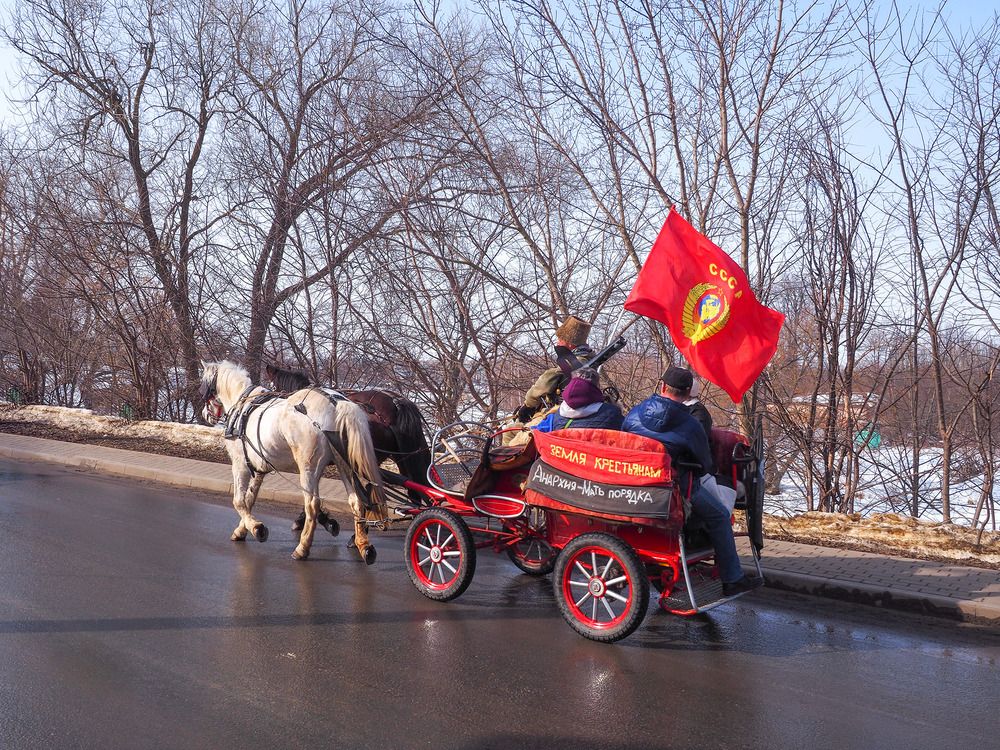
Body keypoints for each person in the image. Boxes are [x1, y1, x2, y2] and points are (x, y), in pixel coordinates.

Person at [622, 367, 761, 596]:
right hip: (674, 490)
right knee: (719, 516)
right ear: (688, 394)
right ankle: (732, 578)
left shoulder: (634, 414)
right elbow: (705, 464)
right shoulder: (691, 425)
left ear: (662, 387)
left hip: (634, 484)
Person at [662, 366, 739, 514]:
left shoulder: (699, 415)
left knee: (719, 515)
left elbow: (696, 448)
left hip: (692, 468)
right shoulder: (671, 410)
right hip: (667, 468)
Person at [514, 315, 594, 425]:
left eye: (560, 340)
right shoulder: (590, 360)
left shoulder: (572, 364)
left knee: (511, 430)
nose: (557, 343)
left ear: (570, 343)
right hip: (574, 410)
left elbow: (541, 386)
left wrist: (527, 406)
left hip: (561, 413)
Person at [534, 368, 623, 432]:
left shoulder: (555, 416)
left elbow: (537, 431)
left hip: (565, 456)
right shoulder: (612, 413)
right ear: (595, 388)